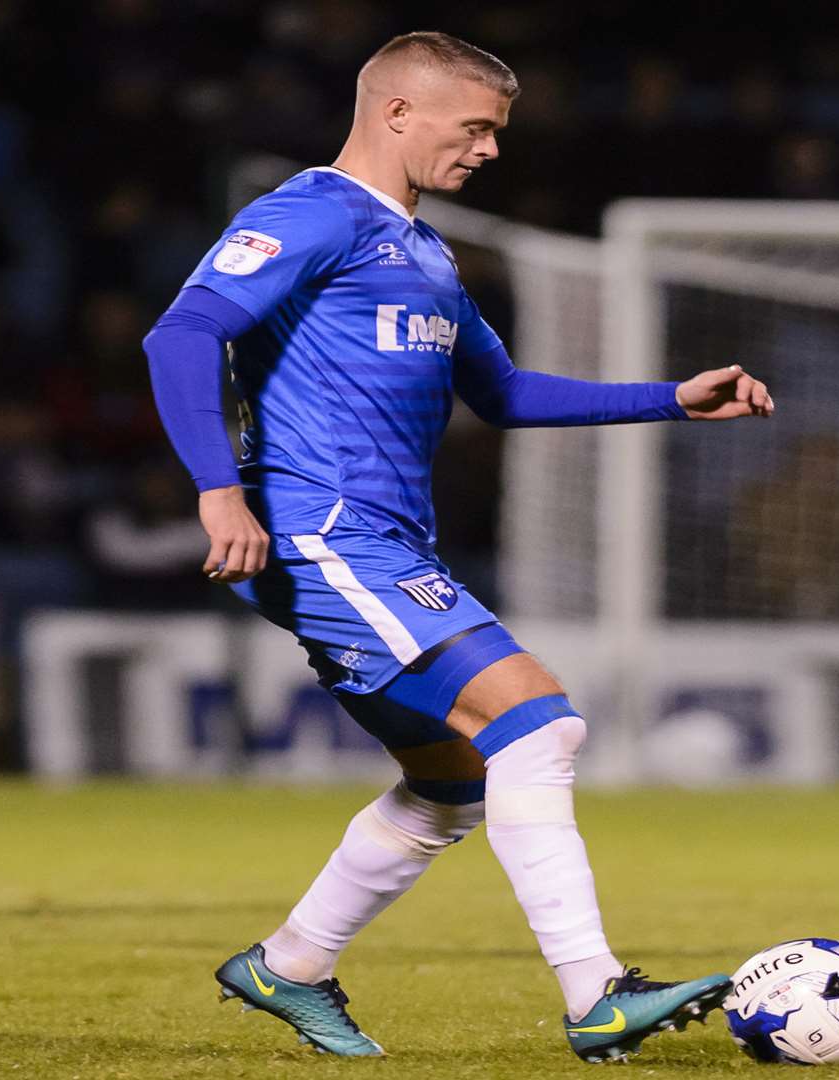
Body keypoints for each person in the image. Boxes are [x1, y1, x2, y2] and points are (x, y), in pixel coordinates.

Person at [141, 33, 775, 1061]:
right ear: (396, 112)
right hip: (324, 533)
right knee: (538, 727)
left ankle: (289, 965)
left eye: (497, 132)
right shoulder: (312, 213)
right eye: (474, 126)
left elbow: (506, 394)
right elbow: (180, 334)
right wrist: (221, 493)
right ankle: (597, 992)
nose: (489, 150)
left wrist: (673, 396)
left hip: (387, 543)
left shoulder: (424, 250)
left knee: (452, 785)